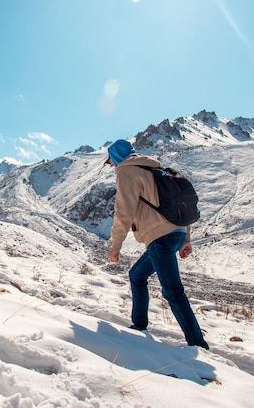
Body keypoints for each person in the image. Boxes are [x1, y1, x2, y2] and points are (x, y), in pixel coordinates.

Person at [105, 139, 209, 350]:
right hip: (175, 233)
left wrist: (116, 245)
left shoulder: (127, 172)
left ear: (116, 158)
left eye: (110, 162)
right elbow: (179, 203)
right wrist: (185, 237)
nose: (111, 166)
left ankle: (198, 344)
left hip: (160, 237)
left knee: (172, 291)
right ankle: (139, 326)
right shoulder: (155, 168)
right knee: (137, 275)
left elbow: (124, 211)